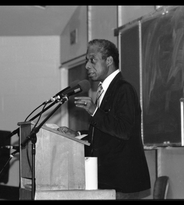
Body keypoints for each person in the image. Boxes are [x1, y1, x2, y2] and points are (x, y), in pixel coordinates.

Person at [57, 39, 151, 199]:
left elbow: (124, 130)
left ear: (109, 60)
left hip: (121, 183)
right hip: (107, 181)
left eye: (92, 59)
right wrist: (77, 134)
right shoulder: (104, 90)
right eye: (87, 60)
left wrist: (94, 110)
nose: (87, 66)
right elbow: (106, 132)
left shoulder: (123, 89)